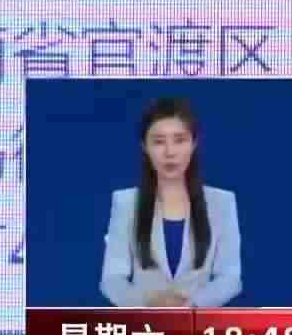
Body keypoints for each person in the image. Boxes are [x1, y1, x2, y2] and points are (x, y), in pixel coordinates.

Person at [100, 97, 242, 307]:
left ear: (193, 143)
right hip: (144, 323)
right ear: (144, 146)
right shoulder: (126, 202)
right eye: (159, 142)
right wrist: (149, 303)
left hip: (197, 322)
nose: (170, 152)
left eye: (179, 140)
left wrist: (192, 305)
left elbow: (230, 277)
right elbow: (112, 279)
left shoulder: (222, 202)